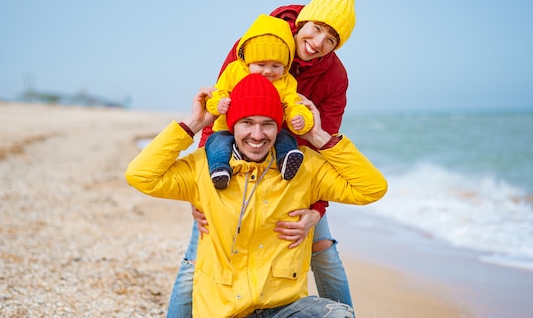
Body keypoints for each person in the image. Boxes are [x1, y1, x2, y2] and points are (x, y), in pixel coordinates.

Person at [126, 74, 387, 317]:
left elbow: (371, 188)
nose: (257, 135)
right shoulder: (203, 168)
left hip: (283, 309)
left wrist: (318, 136)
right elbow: (140, 175)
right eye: (247, 123)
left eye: (267, 124)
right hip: (225, 310)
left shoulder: (304, 167)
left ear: (279, 128)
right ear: (232, 125)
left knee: (338, 314)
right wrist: (194, 124)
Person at [168, 0, 357, 317]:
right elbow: (220, 114)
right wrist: (202, 191)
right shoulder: (257, 40)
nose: (318, 42)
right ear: (302, 21)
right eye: (316, 29)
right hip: (235, 161)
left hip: (290, 167)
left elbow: (324, 141)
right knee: (200, 250)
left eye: (331, 39)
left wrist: (317, 209)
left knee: (323, 251)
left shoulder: (334, 76)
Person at [205, 13, 313, 189]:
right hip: (227, 127)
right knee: (217, 142)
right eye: (261, 65)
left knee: (285, 137)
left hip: (267, 132)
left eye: (276, 66)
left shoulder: (285, 81)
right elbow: (216, 92)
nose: (268, 71)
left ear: (286, 65)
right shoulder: (234, 71)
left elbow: (294, 104)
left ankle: (285, 160)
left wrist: (300, 118)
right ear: (248, 61)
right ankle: (220, 170)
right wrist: (218, 103)